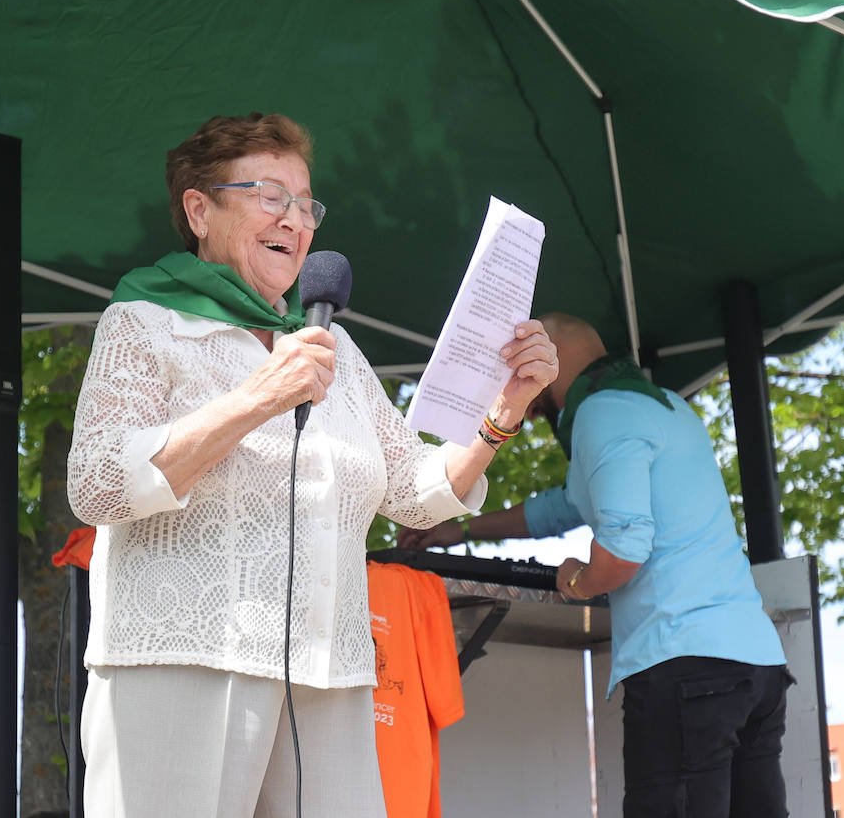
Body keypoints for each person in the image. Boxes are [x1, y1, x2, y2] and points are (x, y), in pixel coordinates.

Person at [66, 112, 558, 816]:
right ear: (199, 209)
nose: (294, 219)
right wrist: (258, 396)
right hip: (183, 666)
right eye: (270, 195)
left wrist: (503, 410)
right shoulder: (146, 323)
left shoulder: (335, 348)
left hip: (331, 682)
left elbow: (416, 493)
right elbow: (96, 483)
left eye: (306, 203)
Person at [398, 312, 791, 818]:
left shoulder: (603, 413)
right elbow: (568, 504)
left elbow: (625, 548)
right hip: (756, 664)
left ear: (553, 349)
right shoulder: (665, 406)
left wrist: (580, 582)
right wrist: (459, 527)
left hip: (686, 665)